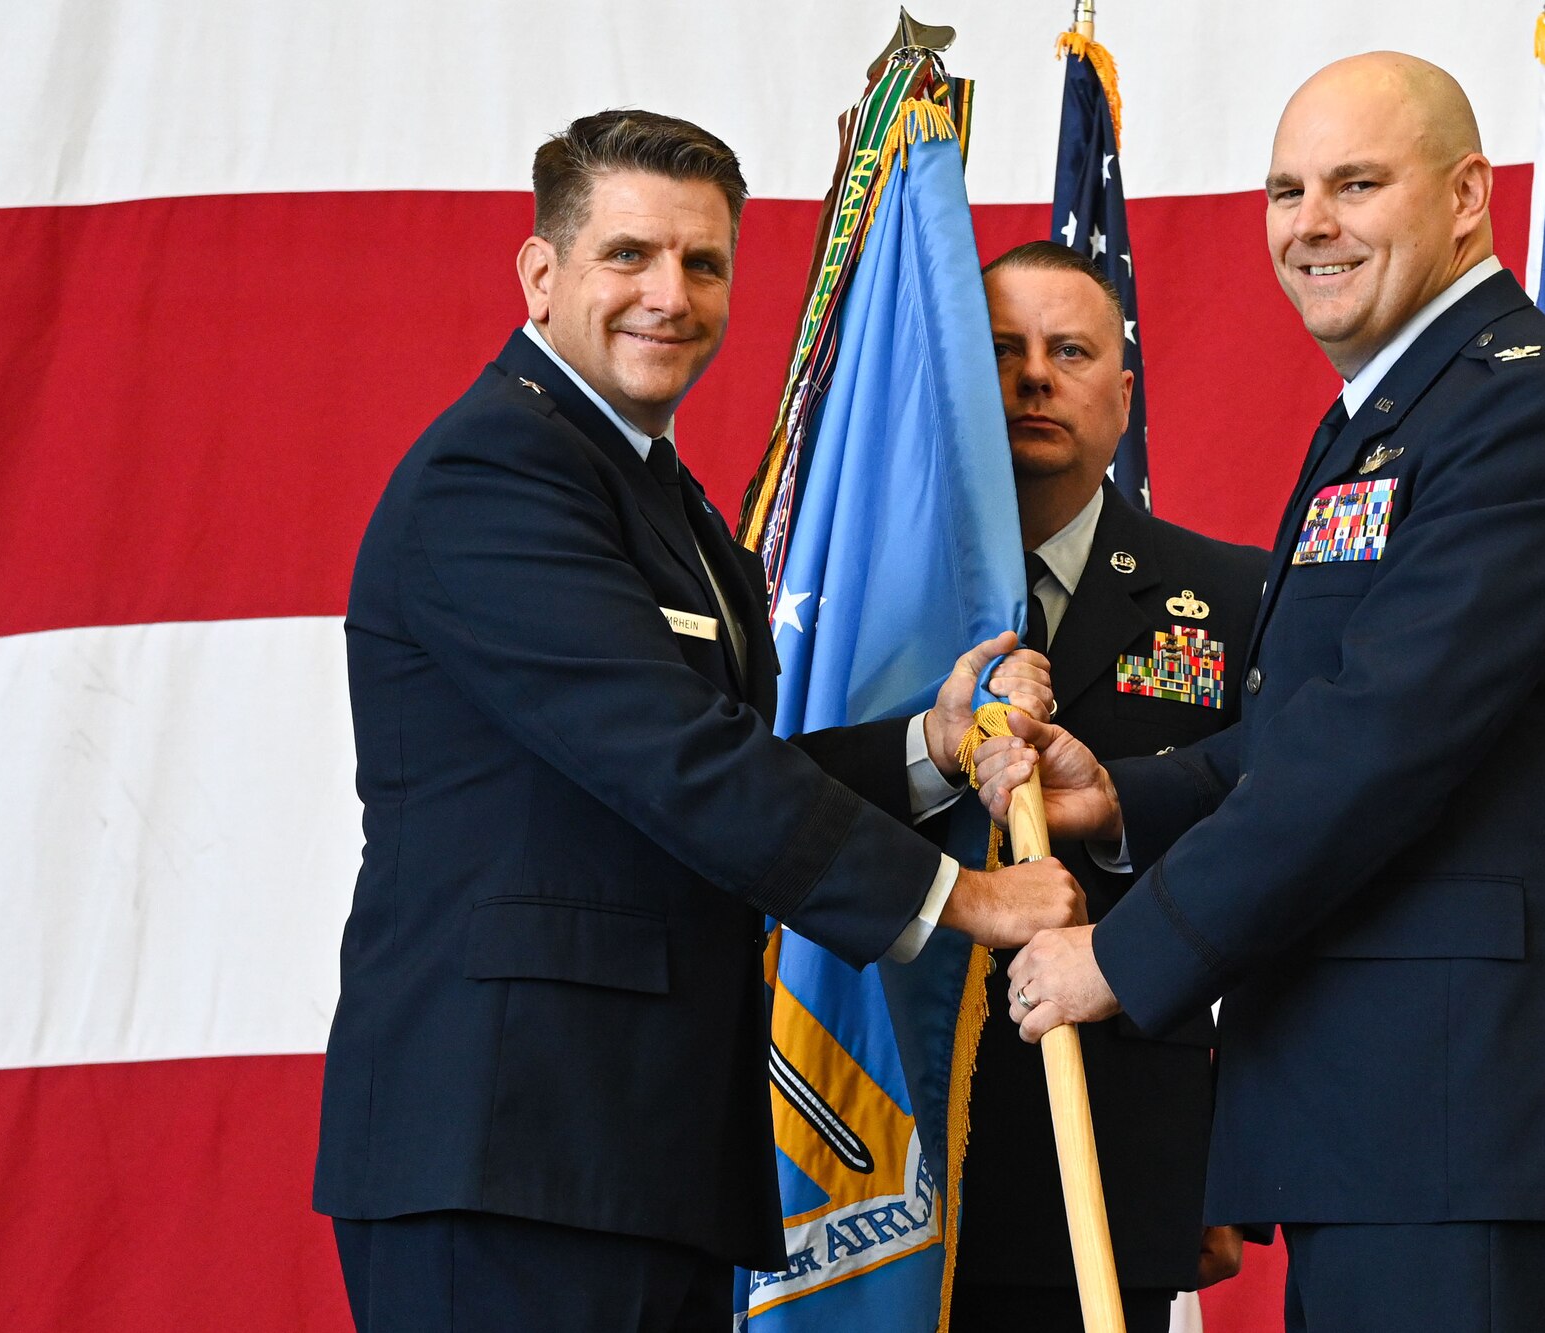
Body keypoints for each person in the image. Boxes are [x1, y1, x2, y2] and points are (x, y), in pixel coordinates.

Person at [311, 109, 1083, 1333]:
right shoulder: (495, 474)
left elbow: (721, 756)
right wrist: (966, 900)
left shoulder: (652, 491)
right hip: (512, 1154)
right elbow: (674, 763)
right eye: (629, 255)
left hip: (630, 1154)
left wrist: (926, 751)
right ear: (540, 273)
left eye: (703, 262)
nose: (669, 294)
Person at [976, 53, 1545, 1332]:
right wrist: (1116, 801)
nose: (1309, 223)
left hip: (1470, 1119)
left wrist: (1122, 959)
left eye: (1356, 183)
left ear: (1467, 195)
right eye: (1285, 188)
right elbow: (1307, 726)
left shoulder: (1524, 419)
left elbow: (1373, 750)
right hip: (1396, 1119)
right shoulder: (1395, 413)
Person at [949, 243, 1265, 1333]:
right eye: (1001, 349)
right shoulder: (861, 594)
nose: (1034, 376)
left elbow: (1273, 850)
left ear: (1120, 396)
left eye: (1068, 350)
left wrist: (1232, 1153)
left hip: (1118, 1134)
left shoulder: (1231, 597)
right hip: (879, 1131)